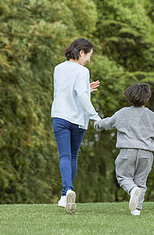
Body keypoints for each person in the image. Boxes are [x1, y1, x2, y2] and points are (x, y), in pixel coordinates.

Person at [94, 83, 154, 216]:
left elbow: (108, 123)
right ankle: (136, 210)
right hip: (147, 152)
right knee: (141, 182)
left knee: (123, 177)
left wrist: (97, 125)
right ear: (147, 98)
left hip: (128, 150)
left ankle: (132, 189)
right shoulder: (152, 115)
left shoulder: (123, 113)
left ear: (129, 97)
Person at [51, 38, 101, 214]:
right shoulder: (82, 70)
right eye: (89, 55)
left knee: (64, 156)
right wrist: (95, 116)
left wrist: (87, 88)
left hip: (60, 116)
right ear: (81, 53)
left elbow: (65, 90)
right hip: (78, 120)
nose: (88, 60)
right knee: (73, 157)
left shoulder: (58, 68)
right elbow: (80, 95)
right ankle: (66, 192)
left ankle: (67, 192)